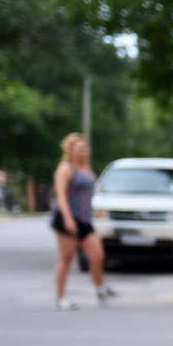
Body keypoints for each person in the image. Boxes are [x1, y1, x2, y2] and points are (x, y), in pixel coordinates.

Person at [51, 132, 116, 310]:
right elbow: (61, 195)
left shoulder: (87, 170)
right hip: (68, 219)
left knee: (97, 255)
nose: (82, 151)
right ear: (70, 150)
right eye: (78, 148)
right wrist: (67, 218)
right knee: (66, 258)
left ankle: (100, 287)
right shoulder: (65, 168)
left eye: (84, 147)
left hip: (85, 220)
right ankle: (60, 297)